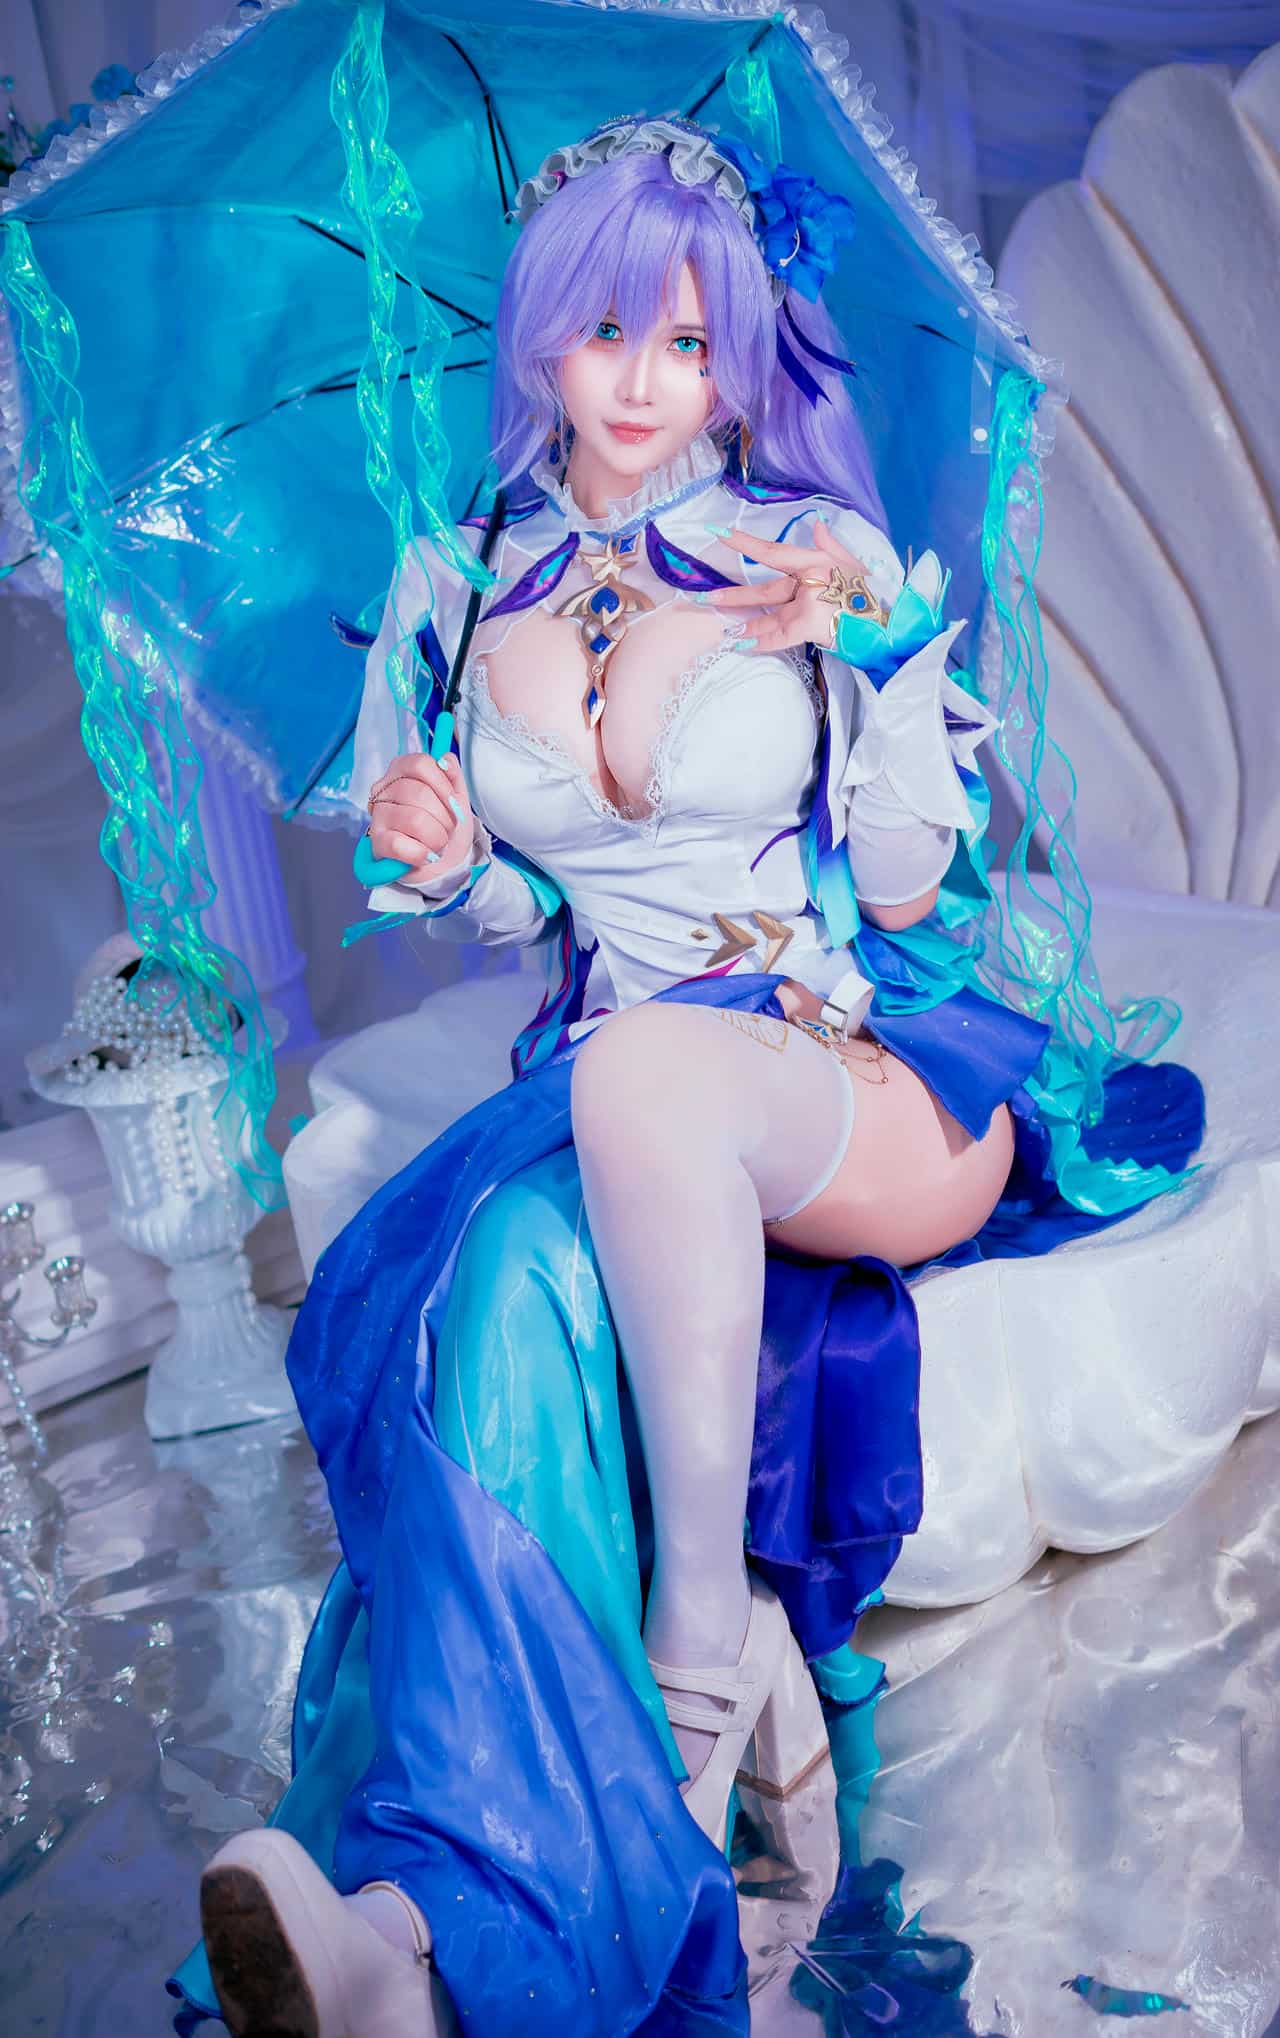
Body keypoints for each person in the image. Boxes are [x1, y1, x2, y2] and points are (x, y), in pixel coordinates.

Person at [186, 118, 1202, 2038]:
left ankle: (689, 1692)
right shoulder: (456, 586)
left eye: (689, 339)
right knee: (491, 1287)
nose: (647, 381)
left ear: (738, 350)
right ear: (540, 338)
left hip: (857, 1072)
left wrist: (881, 663)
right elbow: (519, 913)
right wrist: (443, 848)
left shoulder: (810, 551)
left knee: (641, 1071)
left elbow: (906, 889)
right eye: (605, 334)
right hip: (613, 1092)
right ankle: (423, 1926)